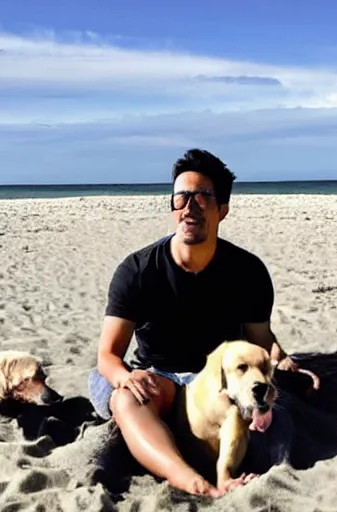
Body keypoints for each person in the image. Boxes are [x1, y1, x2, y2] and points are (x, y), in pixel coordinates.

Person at [87, 148, 311, 497]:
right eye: (181, 197)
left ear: (222, 209)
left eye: (203, 196)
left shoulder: (247, 272)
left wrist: (281, 358)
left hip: (215, 379)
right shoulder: (137, 271)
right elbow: (108, 356)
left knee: (267, 435)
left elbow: (261, 339)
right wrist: (125, 377)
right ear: (173, 207)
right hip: (157, 376)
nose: (190, 206)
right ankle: (189, 480)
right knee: (123, 398)